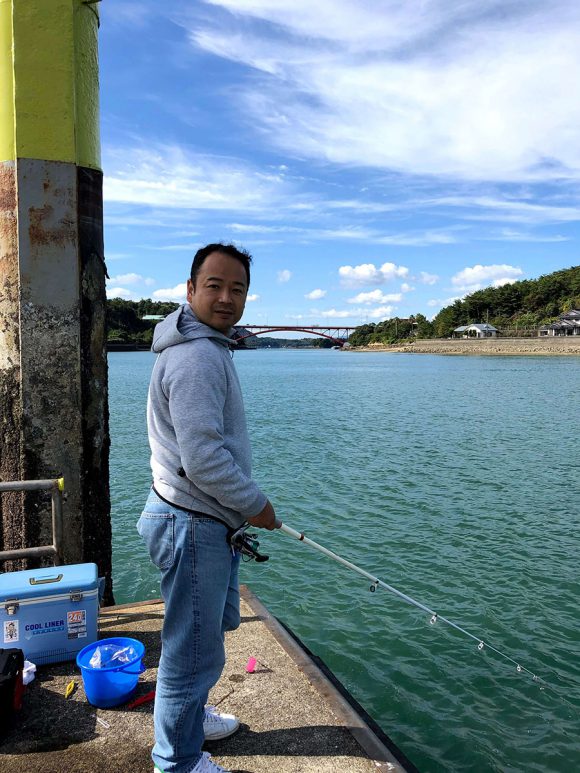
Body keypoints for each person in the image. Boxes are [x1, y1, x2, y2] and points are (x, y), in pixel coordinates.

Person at [137, 243, 279, 773]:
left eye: (237, 288)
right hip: (193, 521)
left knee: (204, 636)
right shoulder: (197, 356)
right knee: (190, 653)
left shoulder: (207, 345)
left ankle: (188, 723)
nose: (226, 297)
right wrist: (258, 505)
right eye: (214, 285)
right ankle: (176, 761)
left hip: (197, 517)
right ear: (190, 289)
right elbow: (203, 461)